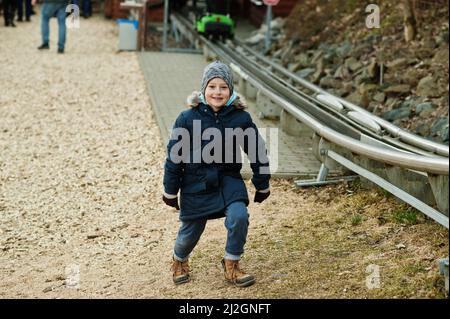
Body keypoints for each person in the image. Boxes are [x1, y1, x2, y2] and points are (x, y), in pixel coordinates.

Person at [162, 61, 271, 287]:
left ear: (230, 90)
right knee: (191, 232)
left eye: (223, 87)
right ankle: (179, 259)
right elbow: (174, 157)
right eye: (212, 86)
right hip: (196, 182)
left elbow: (257, 151)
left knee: (239, 216)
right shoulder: (187, 118)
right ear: (203, 89)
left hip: (228, 181)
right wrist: (170, 191)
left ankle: (232, 263)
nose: (217, 92)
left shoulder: (241, 119)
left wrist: (262, 184)